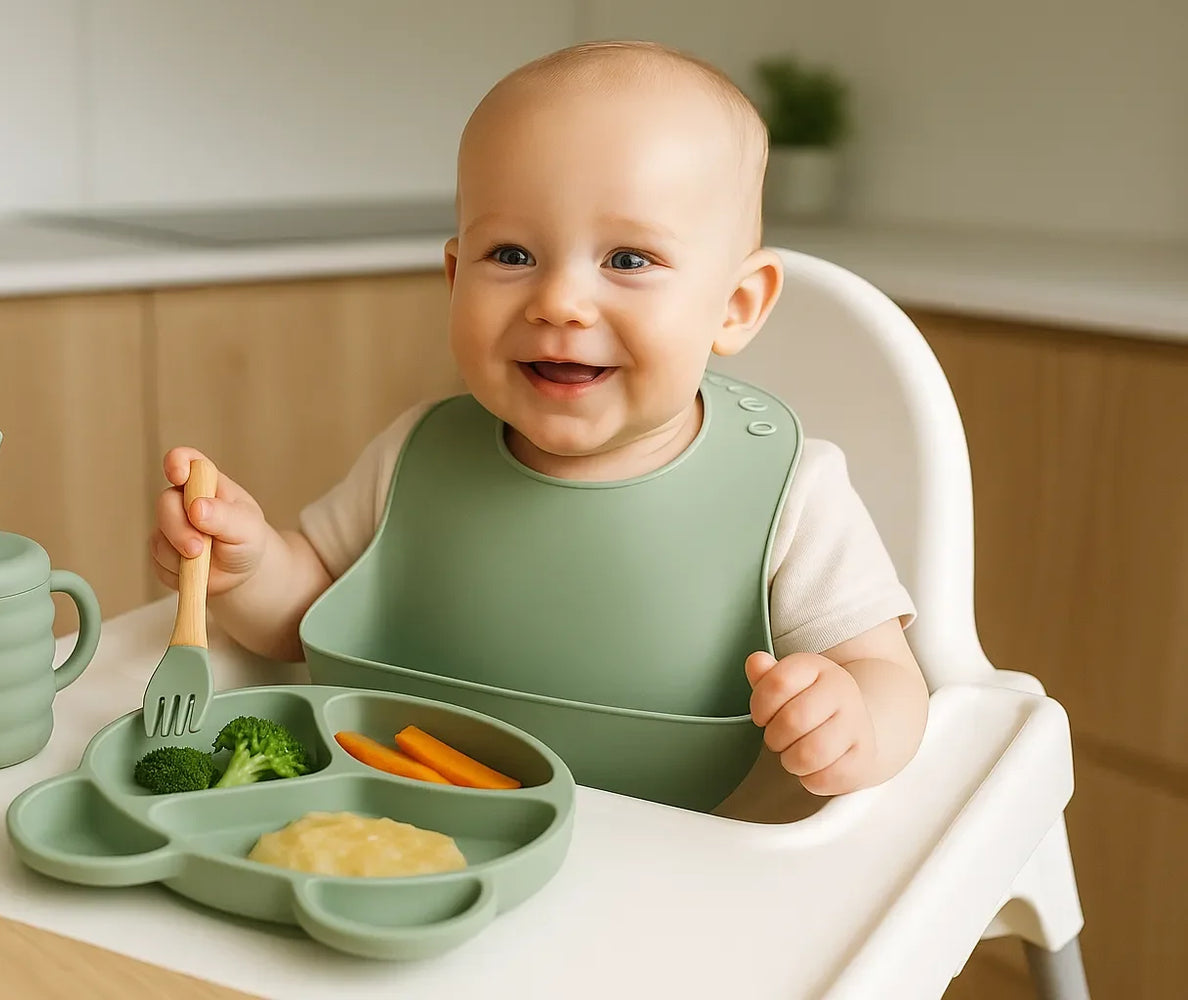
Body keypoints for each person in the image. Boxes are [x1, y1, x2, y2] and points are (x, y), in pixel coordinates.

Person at [149, 40, 928, 797]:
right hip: (423, 817)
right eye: (513, 255)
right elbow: (306, 620)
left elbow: (891, 676)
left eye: (628, 260)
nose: (557, 301)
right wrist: (245, 572)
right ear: (455, 277)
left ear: (735, 306)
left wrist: (851, 720)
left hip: (668, 852)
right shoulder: (418, 453)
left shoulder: (789, 491)